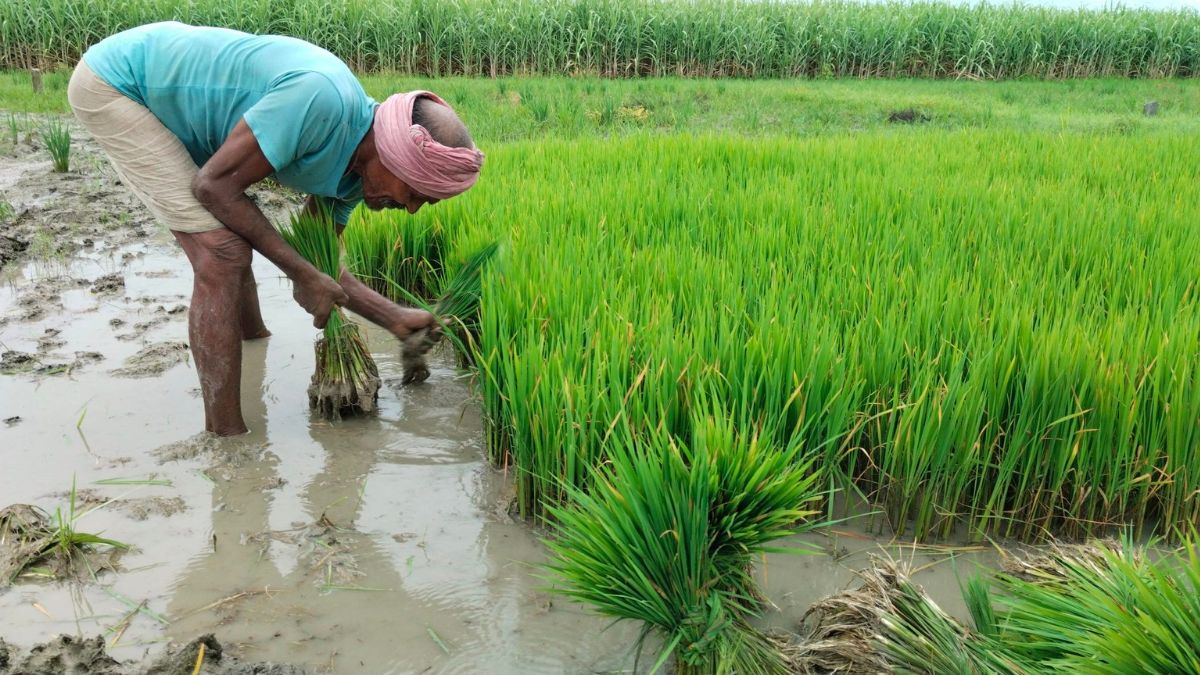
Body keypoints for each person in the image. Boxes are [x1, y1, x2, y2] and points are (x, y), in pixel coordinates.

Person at [66, 22, 484, 436]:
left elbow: (319, 266)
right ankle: (228, 439)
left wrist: (392, 318)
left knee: (237, 231)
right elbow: (213, 187)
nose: (411, 210)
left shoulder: (357, 175)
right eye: (416, 193)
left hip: (183, 105)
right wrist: (302, 275)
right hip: (120, 83)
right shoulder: (321, 100)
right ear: (394, 158)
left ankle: (253, 340)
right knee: (223, 252)